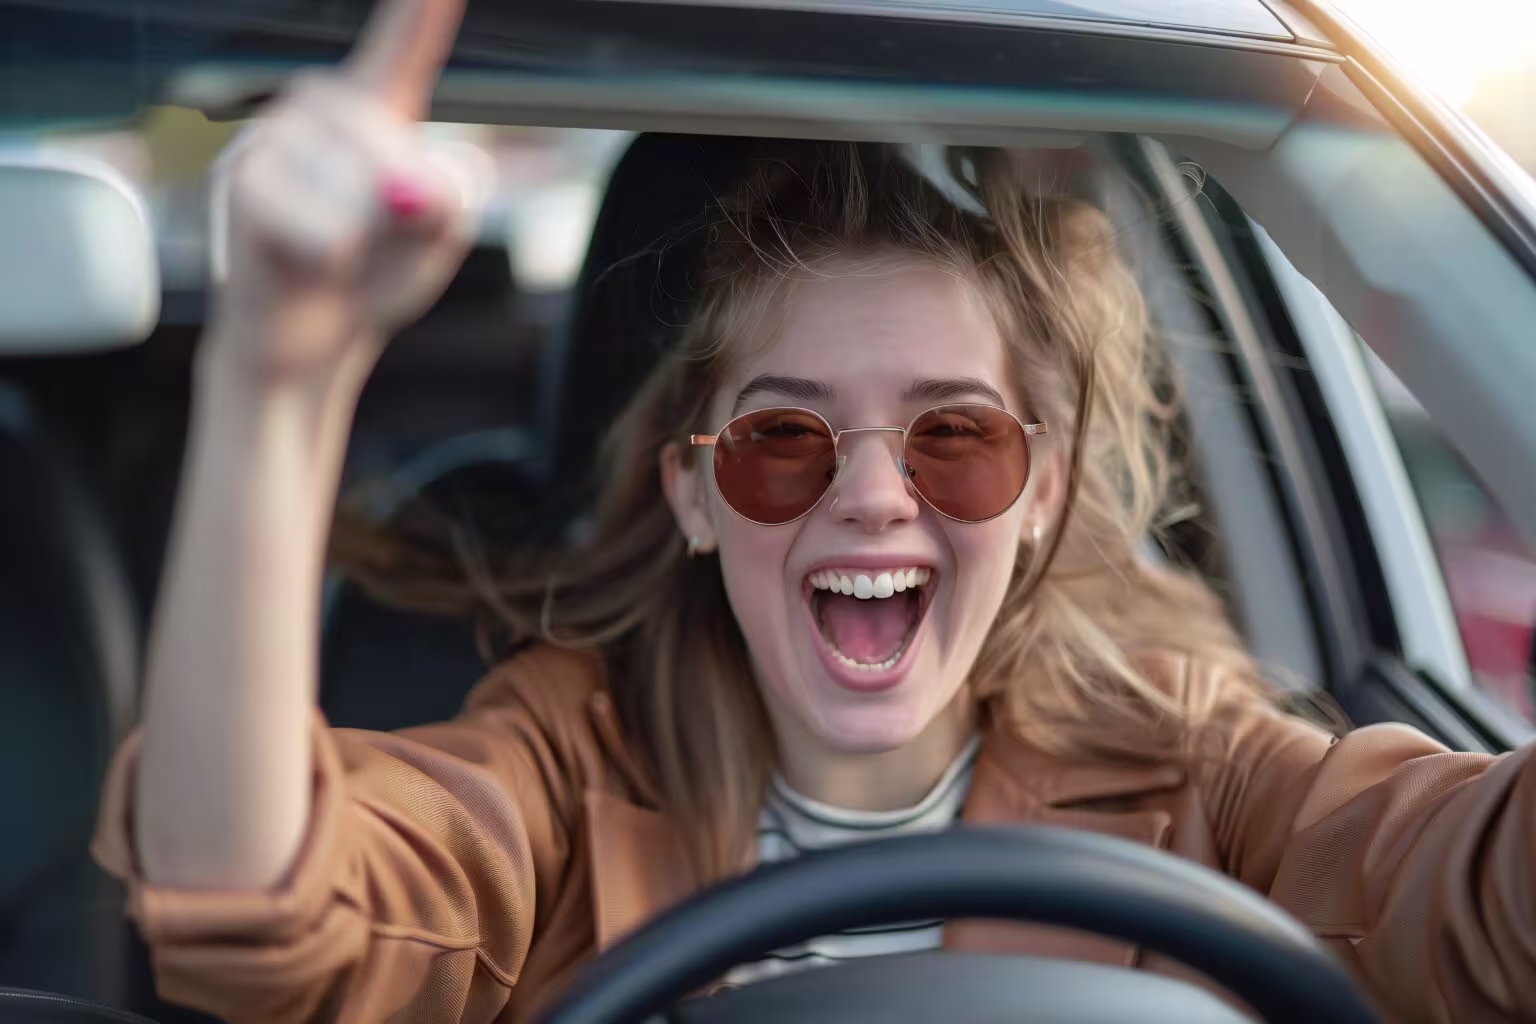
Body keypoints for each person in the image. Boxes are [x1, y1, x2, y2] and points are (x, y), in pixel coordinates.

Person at [92, 0, 1536, 1021]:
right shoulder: (563, 762)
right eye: (784, 442)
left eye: (955, 439)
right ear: (696, 496)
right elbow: (257, 912)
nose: (868, 496)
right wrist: (279, 377)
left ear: (1037, 494)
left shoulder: (1200, 766)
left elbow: (1486, 911)